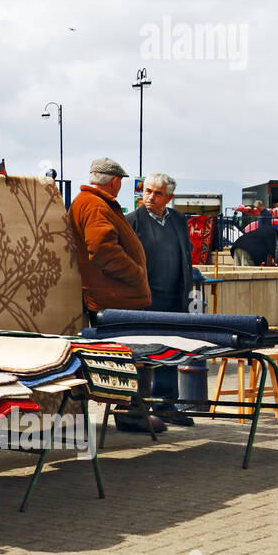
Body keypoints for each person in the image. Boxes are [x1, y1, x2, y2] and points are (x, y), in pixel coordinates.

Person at [69, 158, 157, 433]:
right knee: (138, 356)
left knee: (129, 357)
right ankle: (132, 413)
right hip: (117, 297)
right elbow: (103, 250)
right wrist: (136, 274)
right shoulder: (96, 205)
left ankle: (130, 411)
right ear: (115, 181)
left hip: (112, 296)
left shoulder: (89, 202)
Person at [126, 172, 194, 426]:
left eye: (157, 193)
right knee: (143, 356)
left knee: (170, 353)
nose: (151, 197)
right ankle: (139, 408)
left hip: (174, 299)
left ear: (169, 197)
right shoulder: (133, 221)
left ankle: (167, 405)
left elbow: (185, 256)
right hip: (145, 301)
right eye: (147, 191)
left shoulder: (178, 220)